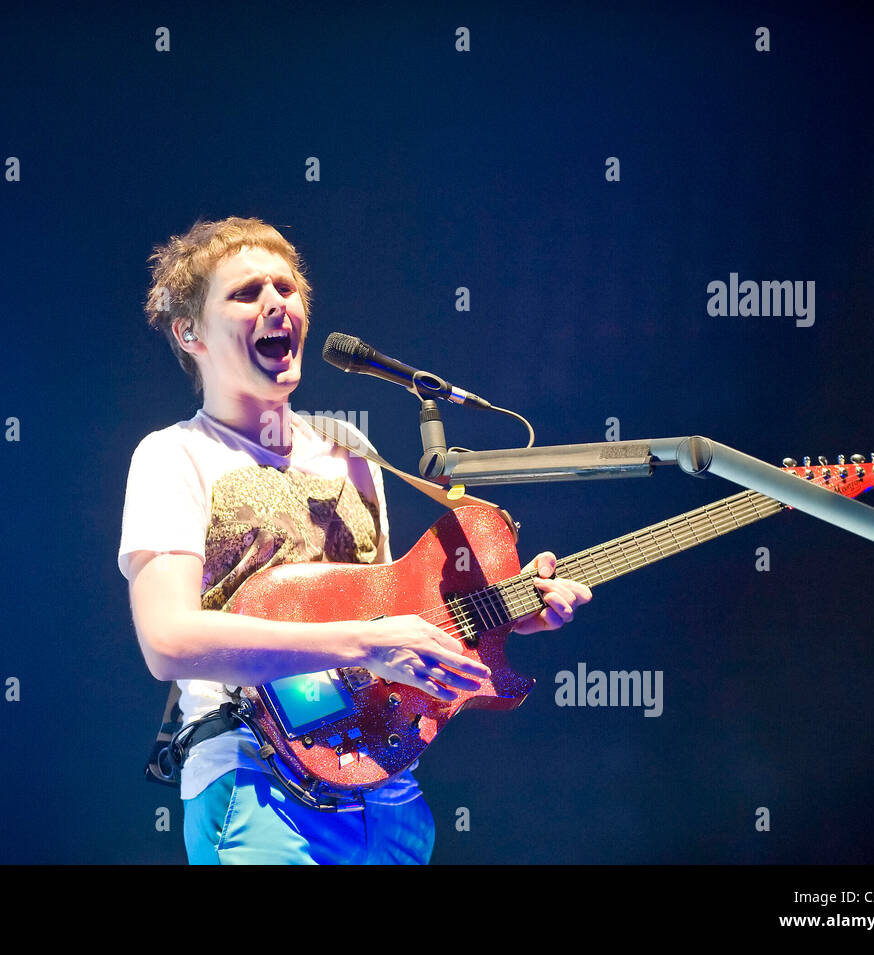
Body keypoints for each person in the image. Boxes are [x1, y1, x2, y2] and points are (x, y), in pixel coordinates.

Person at [118, 216, 591, 864]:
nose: (275, 303)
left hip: (387, 791)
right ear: (190, 331)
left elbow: (397, 611)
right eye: (246, 292)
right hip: (258, 784)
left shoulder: (351, 449)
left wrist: (510, 612)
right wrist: (366, 640)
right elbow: (169, 640)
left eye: (286, 288)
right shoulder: (174, 455)